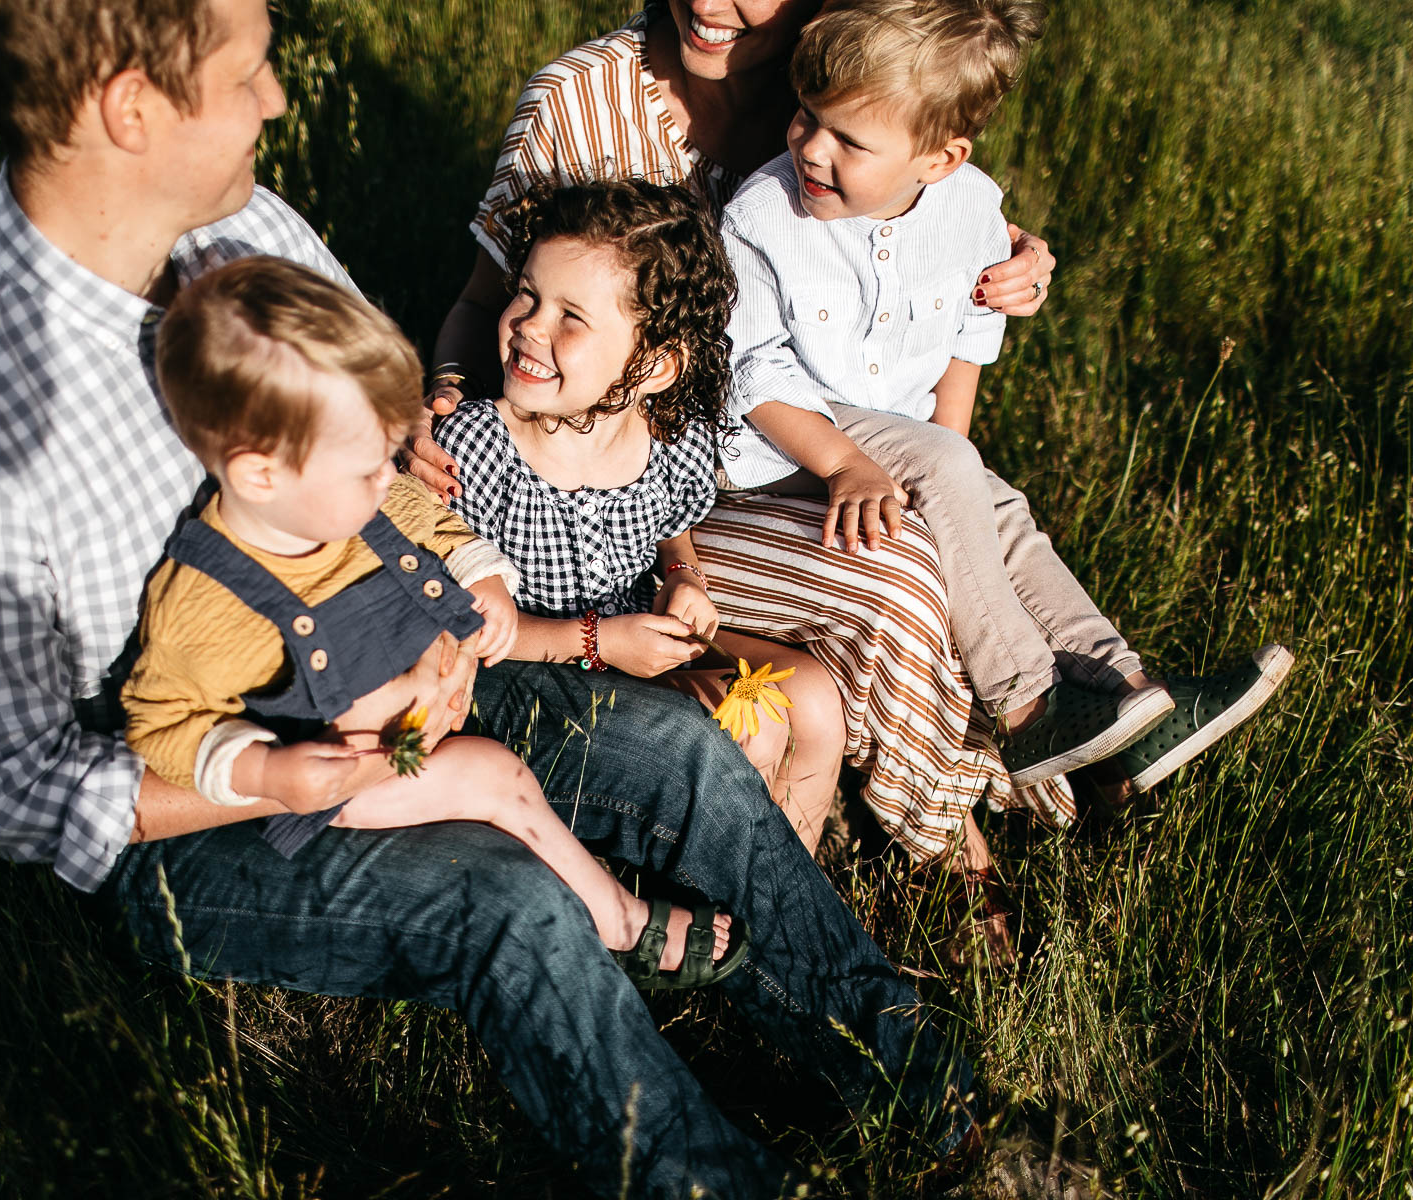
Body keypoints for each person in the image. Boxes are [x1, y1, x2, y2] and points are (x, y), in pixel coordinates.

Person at [0, 0, 982, 1193]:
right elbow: (13, 790)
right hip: (215, 802)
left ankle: (931, 1099)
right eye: (249, 71)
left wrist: (460, 614)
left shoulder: (248, 235)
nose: (276, 99)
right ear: (132, 106)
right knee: (509, 905)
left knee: (684, 756)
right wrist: (291, 771)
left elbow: (398, 471)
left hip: (407, 653)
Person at [408, 0, 1075, 885]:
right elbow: (485, 303)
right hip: (656, 468)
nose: (711, 4)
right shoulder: (581, 105)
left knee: (958, 521)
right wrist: (443, 397)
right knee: (898, 572)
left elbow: (921, 190)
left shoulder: (825, 73)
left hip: (774, 449)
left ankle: (1080, 735)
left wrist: (1000, 256)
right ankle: (947, 847)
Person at [717, 0, 1295, 885]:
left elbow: (966, 344)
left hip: (900, 436)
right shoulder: (763, 214)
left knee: (999, 511)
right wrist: (855, 462)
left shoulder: (973, 209)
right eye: (806, 117)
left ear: (941, 159)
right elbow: (750, 375)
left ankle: (1129, 696)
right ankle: (1028, 710)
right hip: (780, 453)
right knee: (955, 474)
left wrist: (952, 493)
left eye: (848, 140)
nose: (811, 148)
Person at [122, 254, 741, 985]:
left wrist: (482, 574)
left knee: (523, 770)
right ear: (261, 473)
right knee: (498, 781)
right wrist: (266, 769)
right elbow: (158, 725)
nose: (389, 476)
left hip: (421, 719)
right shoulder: (202, 599)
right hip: (352, 781)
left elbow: (420, 512)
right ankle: (619, 920)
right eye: (366, 467)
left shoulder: (337, 491)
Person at [435, 178, 845, 844]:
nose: (530, 327)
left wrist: (684, 575)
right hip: (530, 682)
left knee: (814, 698)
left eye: (571, 317)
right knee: (754, 724)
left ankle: (785, 874)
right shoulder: (479, 448)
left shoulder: (666, 439)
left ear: (654, 368)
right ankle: (710, 897)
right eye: (527, 295)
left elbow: (671, 527)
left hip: (623, 647)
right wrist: (598, 641)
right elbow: (465, 633)